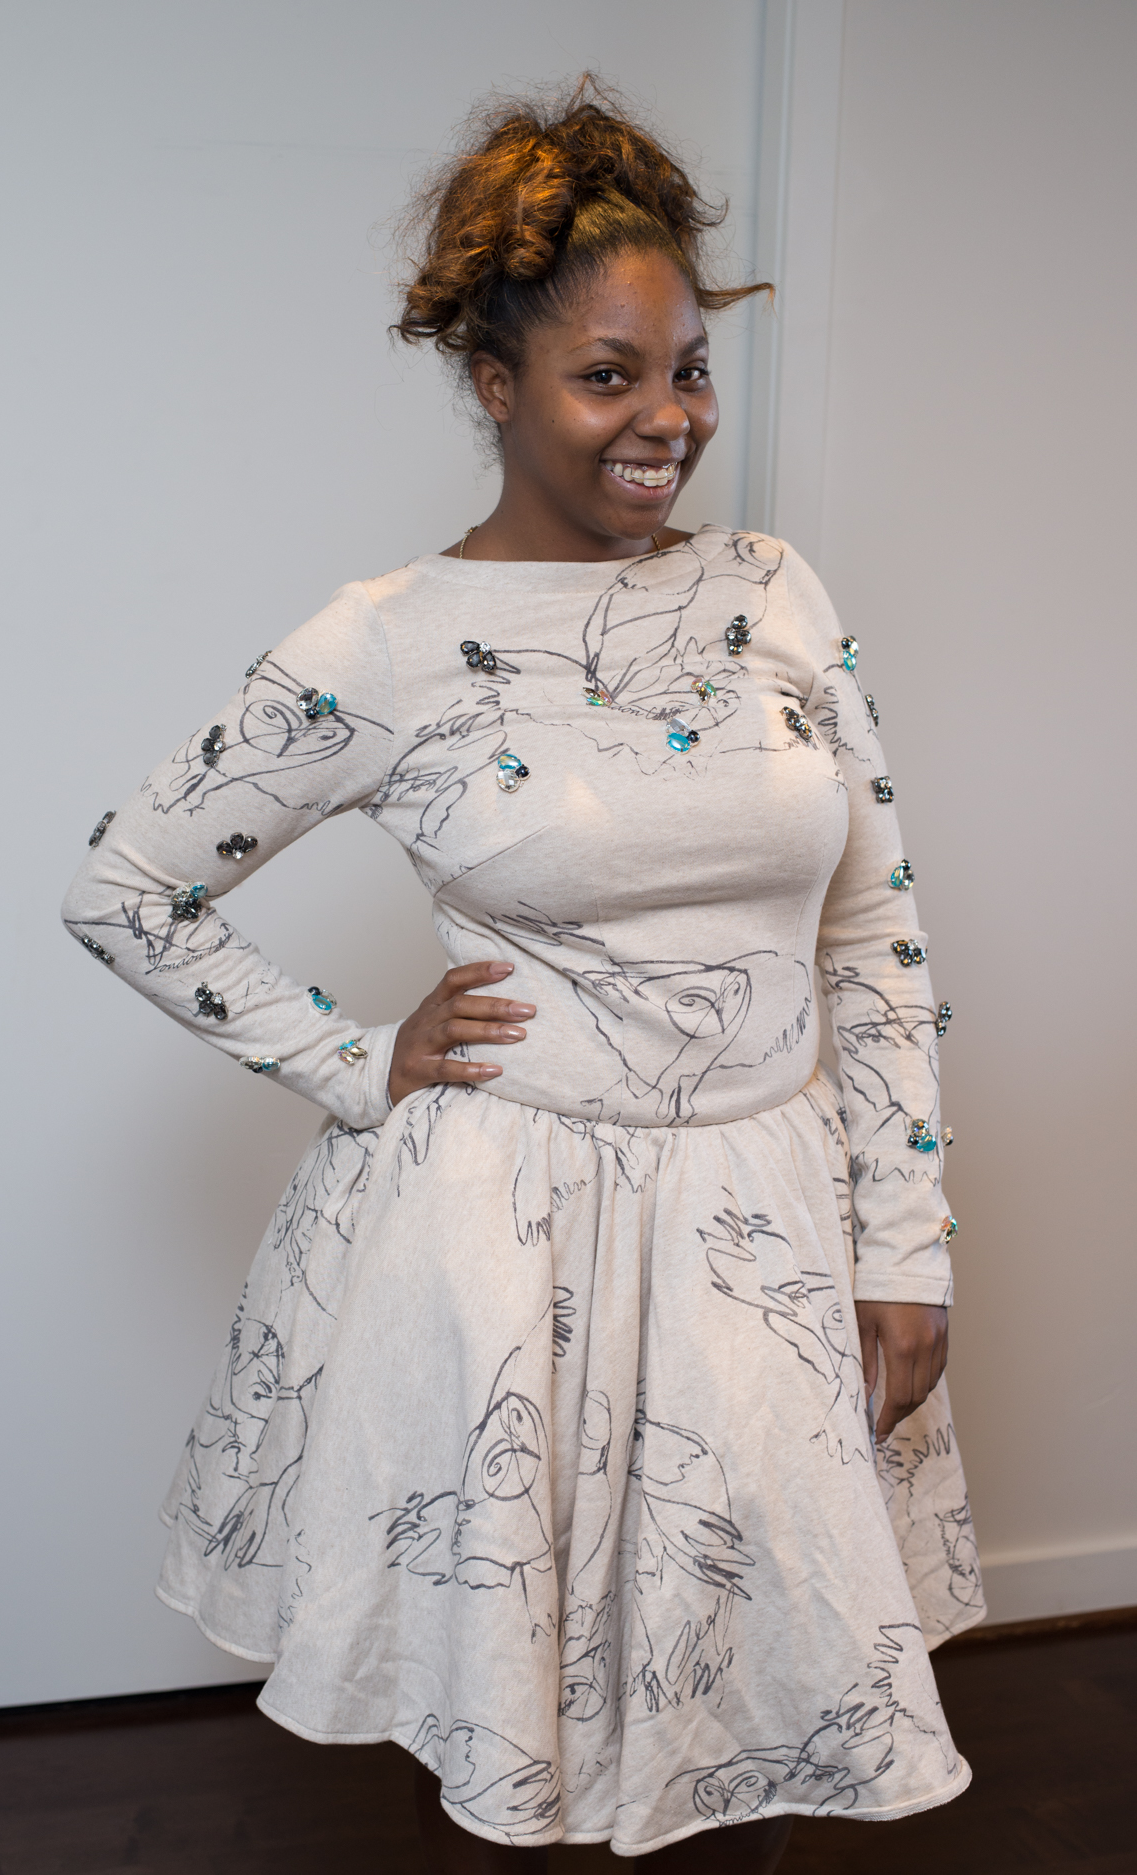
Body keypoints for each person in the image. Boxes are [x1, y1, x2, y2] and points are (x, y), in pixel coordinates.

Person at [62, 79, 984, 1873]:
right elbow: (131, 886)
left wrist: (906, 1240)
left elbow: (873, 930)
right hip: (504, 1241)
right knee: (519, 1706)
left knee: (778, 1689)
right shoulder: (389, 643)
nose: (669, 420)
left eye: (690, 370)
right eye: (607, 375)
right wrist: (350, 1057)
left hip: (769, 1218)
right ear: (495, 383)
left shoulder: (776, 591)